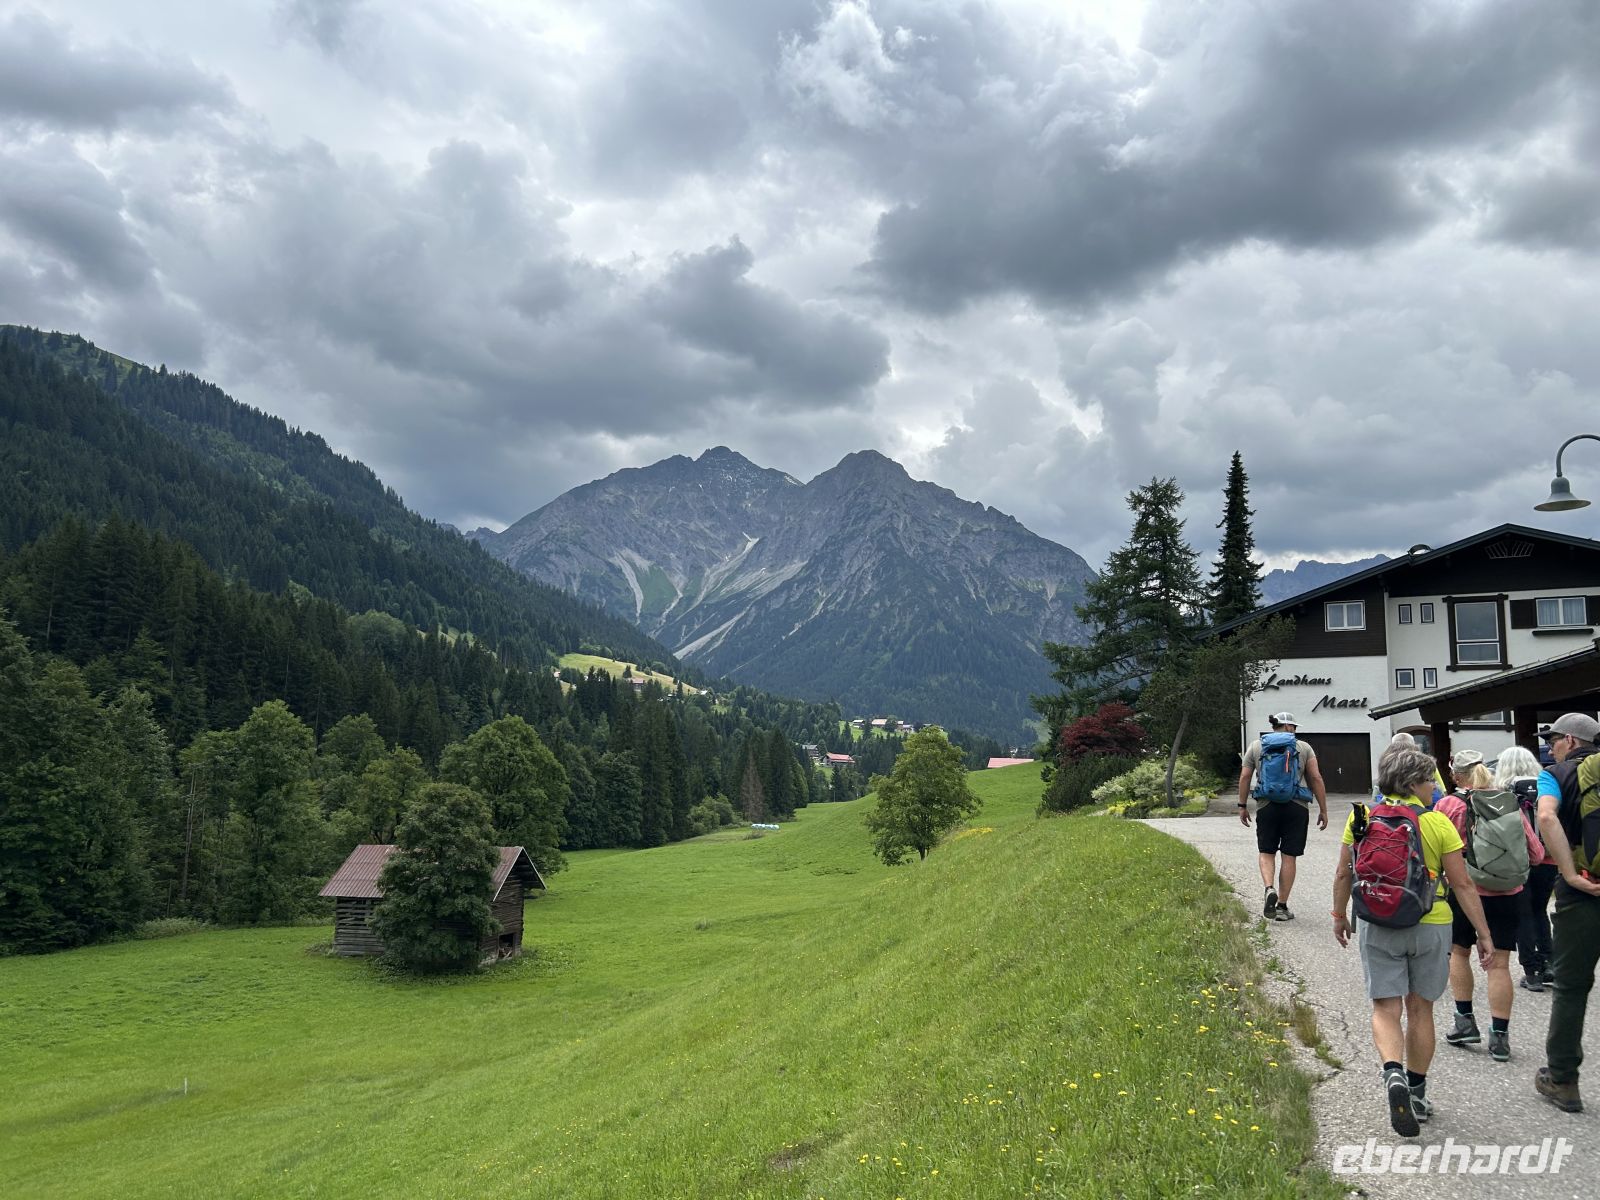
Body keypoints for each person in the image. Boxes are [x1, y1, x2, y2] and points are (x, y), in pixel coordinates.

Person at [1333, 746, 1493, 1136]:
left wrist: (1339, 916)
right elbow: (1463, 884)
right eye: (1428, 781)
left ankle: (1393, 1074)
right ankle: (1417, 1093)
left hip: (1377, 922)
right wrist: (1484, 934)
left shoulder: (1361, 817)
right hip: (1430, 921)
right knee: (1421, 1009)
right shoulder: (1437, 824)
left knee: (1386, 1007)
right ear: (1412, 783)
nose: (1433, 788)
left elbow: (1343, 873)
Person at [1433, 748, 1542, 1061]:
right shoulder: (1508, 803)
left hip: (1466, 892)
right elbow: (1534, 853)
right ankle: (1500, 1038)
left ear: (1456, 776)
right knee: (1499, 965)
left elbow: (1438, 853)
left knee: (1459, 953)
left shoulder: (1448, 805)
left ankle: (1465, 1022)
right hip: (1509, 894)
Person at [1533, 713, 1600, 1113]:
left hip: (1584, 893)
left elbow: (1545, 816)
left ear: (1571, 742)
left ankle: (1562, 1080)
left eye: (1554, 739)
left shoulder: (1555, 774)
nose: (1550, 746)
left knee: (1572, 987)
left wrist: (1570, 873)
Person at [1239, 712, 1329, 921]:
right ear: (1289, 727)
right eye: (1294, 727)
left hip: (1266, 805)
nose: (1295, 731)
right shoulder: (1304, 747)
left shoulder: (1256, 746)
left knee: (1266, 852)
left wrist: (1242, 805)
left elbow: (1244, 776)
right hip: (1296, 807)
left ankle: (1269, 888)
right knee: (1289, 856)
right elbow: (1315, 777)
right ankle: (1281, 906)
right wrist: (1323, 809)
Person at [1500, 745, 1559, 993]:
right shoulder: (1546, 785)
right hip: (1549, 859)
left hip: (1519, 860)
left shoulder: (1504, 790)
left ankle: (1531, 971)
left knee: (1522, 913)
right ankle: (1549, 962)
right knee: (1539, 910)